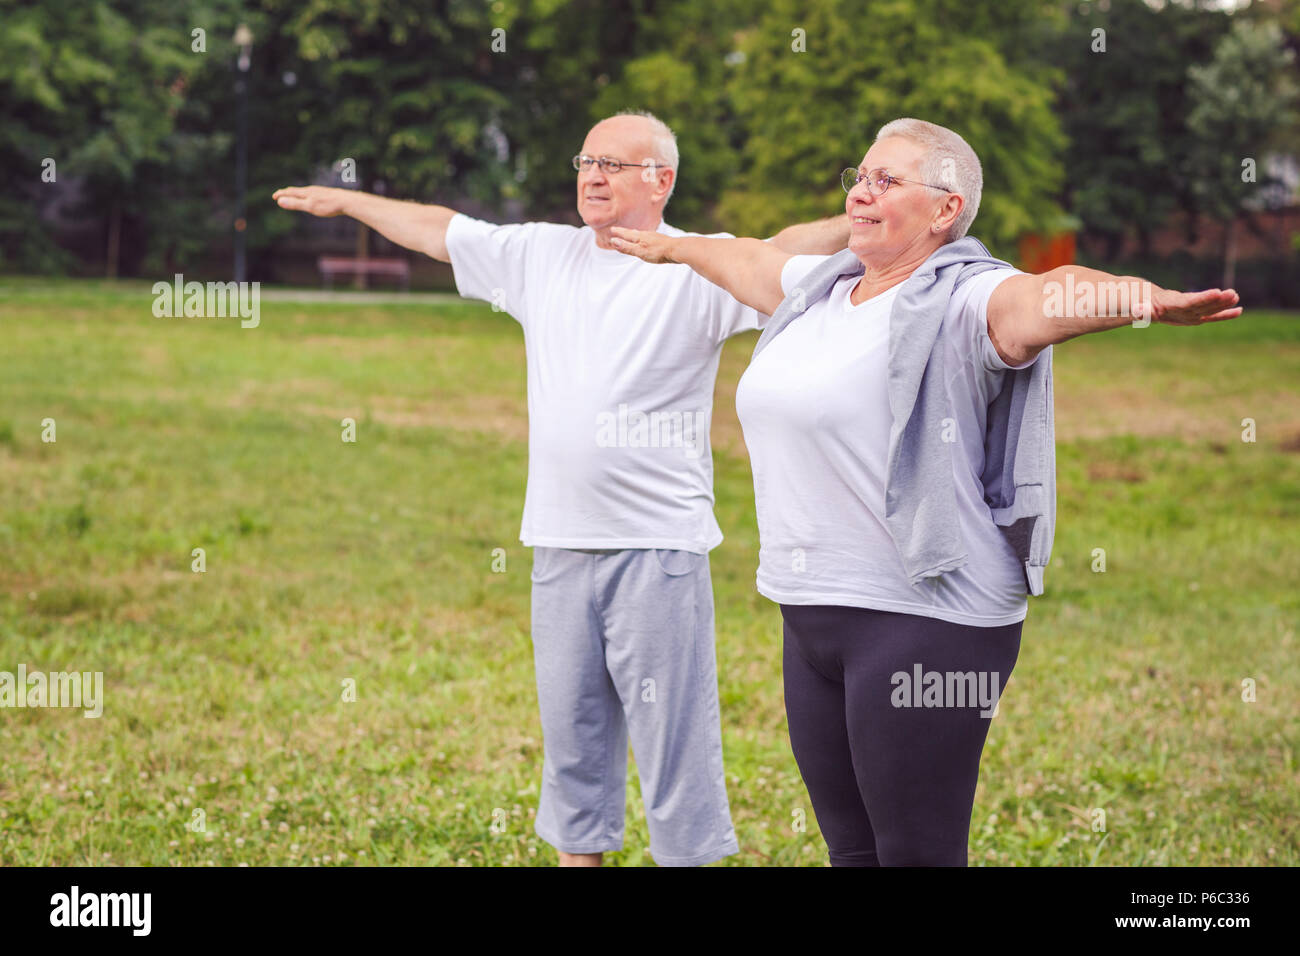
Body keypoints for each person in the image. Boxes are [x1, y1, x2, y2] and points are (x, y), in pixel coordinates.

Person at [609, 117, 1241, 866]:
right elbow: (745, 259)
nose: (861, 193)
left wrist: (1144, 299)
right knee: (852, 851)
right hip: (812, 618)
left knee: (917, 852)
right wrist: (670, 245)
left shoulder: (969, 300)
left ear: (945, 209)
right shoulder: (819, 292)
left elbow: (1053, 296)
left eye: (887, 180)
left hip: (926, 620)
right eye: (860, 177)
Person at [273, 111, 849, 866]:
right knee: (573, 744)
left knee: (674, 748)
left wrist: (861, 220)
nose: (593, 176)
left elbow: (782, 250)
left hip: (657, 547)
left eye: (613, 164)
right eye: (586, 161)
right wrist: (349, 201)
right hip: (559, 544)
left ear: (661, 180)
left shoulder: (697, 263)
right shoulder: (542, 254)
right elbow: (440, 228)